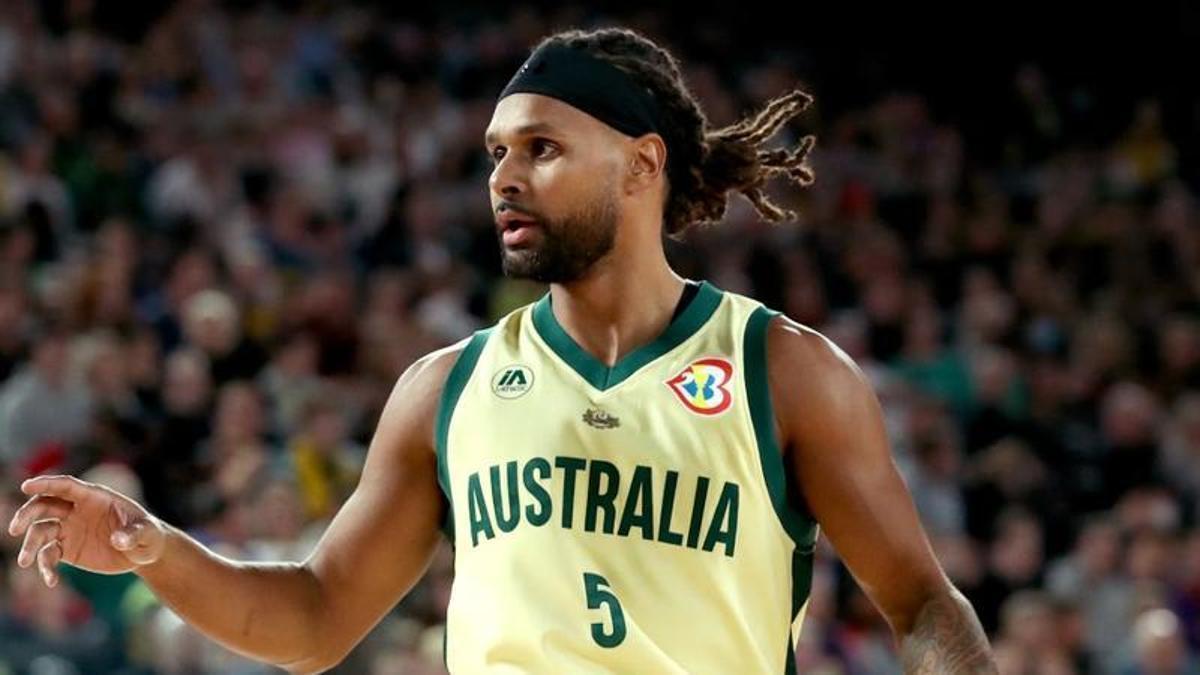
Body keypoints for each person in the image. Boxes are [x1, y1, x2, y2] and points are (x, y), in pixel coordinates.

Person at [7, 28, 994, 674]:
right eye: (495, 154)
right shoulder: (449, 388)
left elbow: (920, 606)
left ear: (644, 164)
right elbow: (313, 617)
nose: (505, 179)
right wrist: (155, 548)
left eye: (542, 149)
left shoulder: (787, 373)